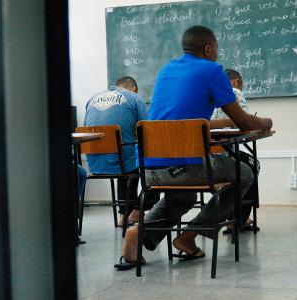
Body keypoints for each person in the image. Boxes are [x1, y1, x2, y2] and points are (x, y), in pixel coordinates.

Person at [117, 25, 272, 269]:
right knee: (246, 174)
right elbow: (244, 121)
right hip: (184, 165)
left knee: (185, 195)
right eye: (217, 49)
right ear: (208, 49)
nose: (218, 54)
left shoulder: (166, 69)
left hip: (148, 166)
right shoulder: (212, 70)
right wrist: (265, 122)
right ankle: (189, 236)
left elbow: (183, 121)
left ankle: (141, 231)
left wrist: (223, 121)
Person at [83, 76, 148, 227]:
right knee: (141, 161)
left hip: (94, 165)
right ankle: (137, 209)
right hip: (123, 163)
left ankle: (123, 215)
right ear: (132, 89)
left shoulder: (92, 99)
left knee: (124, 157)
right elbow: (147, 129)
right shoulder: (134, 98)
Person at [210, 69, 258, 233]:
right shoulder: (234, 92)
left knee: (241, 166)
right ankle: (238, 220)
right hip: (223, 154)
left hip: (206, 154)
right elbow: (246, 125)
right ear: (236, 82)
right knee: (253, 165)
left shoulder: (208, 94)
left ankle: (233, 217)